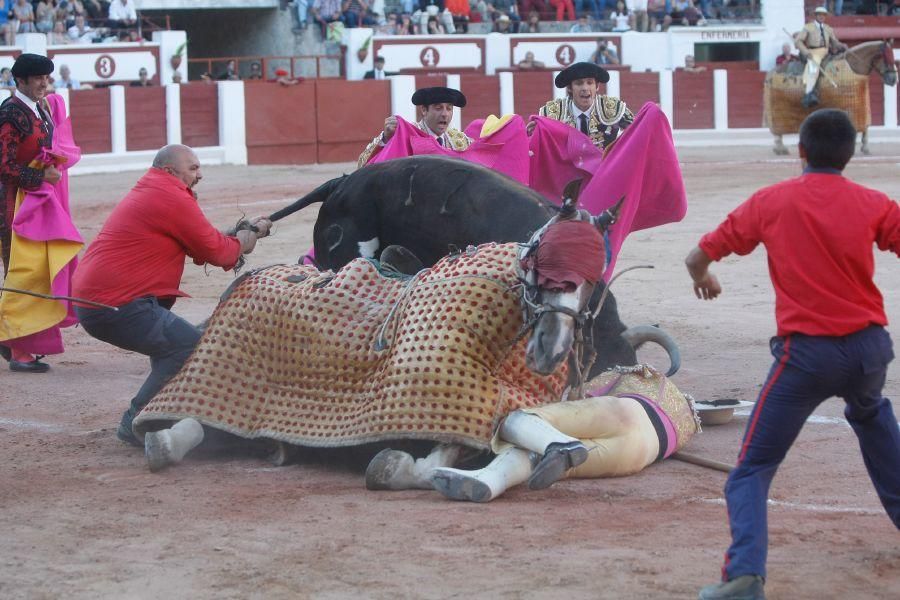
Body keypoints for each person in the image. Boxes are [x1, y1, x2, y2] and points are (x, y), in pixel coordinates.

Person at [686, 109, 900, 600]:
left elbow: (697, 256)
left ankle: (744, 575)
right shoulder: (872, 202)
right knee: (871, 414)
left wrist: (703, 278)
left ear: (800, 151)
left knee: (753, 469)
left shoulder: (772, 201)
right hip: (869, 348)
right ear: (849, 155)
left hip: (806, 356)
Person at [71, 144, 273, 446]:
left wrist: (238, 235)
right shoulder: (170, 196)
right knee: (186, 346)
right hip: (116, 304)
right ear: (169, 171)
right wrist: (250, 236)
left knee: (174, 342)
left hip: (106, 299)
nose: (200, 175)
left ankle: (162, 413)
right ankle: (137, 420)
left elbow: (202, 242)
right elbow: (218, 252)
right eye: (193, 168)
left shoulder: (157, 189)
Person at [431, 365, 700, 502]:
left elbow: (578, 392)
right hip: (638, 455)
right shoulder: (684, 420)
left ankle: (559, 443)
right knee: (538, 458)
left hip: (623, 412)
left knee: (520, 418)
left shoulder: (632, 375)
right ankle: (490, 482)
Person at [0, 53, 67, 373]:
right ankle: (17, 349)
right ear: (20, 81)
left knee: (36, 269)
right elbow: (3, 166)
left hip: (34, 199)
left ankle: (15, 339)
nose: (44, 83)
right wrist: (41, 176)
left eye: (47, 77)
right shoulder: (11, 113)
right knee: (21, 270)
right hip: (12, 202)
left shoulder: (39, 108)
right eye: (38, 78)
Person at [531, 61, 634, 152]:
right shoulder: (552, 112)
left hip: (605, 170)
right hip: (568, 172)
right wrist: (533, 134)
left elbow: (638, 132)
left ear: (597, 86)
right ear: (570, 88)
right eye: (579, 83)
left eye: (590, 83)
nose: (585, 88)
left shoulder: (613, 108)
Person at [357, 86, 472, 167]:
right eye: (438, 108)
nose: (445, 114)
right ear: (424, 110)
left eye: (449, 108)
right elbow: (363, 164)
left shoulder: (459, 140)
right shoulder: (404, 136)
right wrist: (387, 140)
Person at [794, 6, 847, 108]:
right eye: (819, 14)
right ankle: (808, 94)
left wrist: (841, 45)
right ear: (816, 16)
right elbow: (798, 41)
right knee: (814, 67)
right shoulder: (808, 27)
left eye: (823, 15)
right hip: (813, 51)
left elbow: (834, 42)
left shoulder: (828, 29)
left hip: (826, 52)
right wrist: (805, 52)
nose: (822, 17)